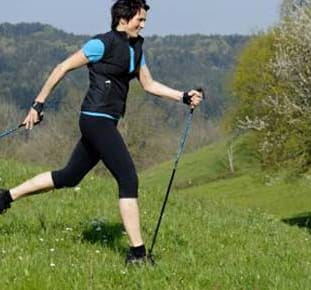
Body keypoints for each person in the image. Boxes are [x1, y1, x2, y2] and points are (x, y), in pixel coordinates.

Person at [0, 0, 202, 265]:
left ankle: (5, 197)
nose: (143, 25)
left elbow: (148, 84)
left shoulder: (136, 48)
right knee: (128, 178)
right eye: (139, 20)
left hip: (108, 121)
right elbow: (62, 68)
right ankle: (138, 255)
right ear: (123, 19)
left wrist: (183, 96)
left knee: (69, 176)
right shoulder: (101, 44)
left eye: (144, 21)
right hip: (95, 120)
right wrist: (37, 104)